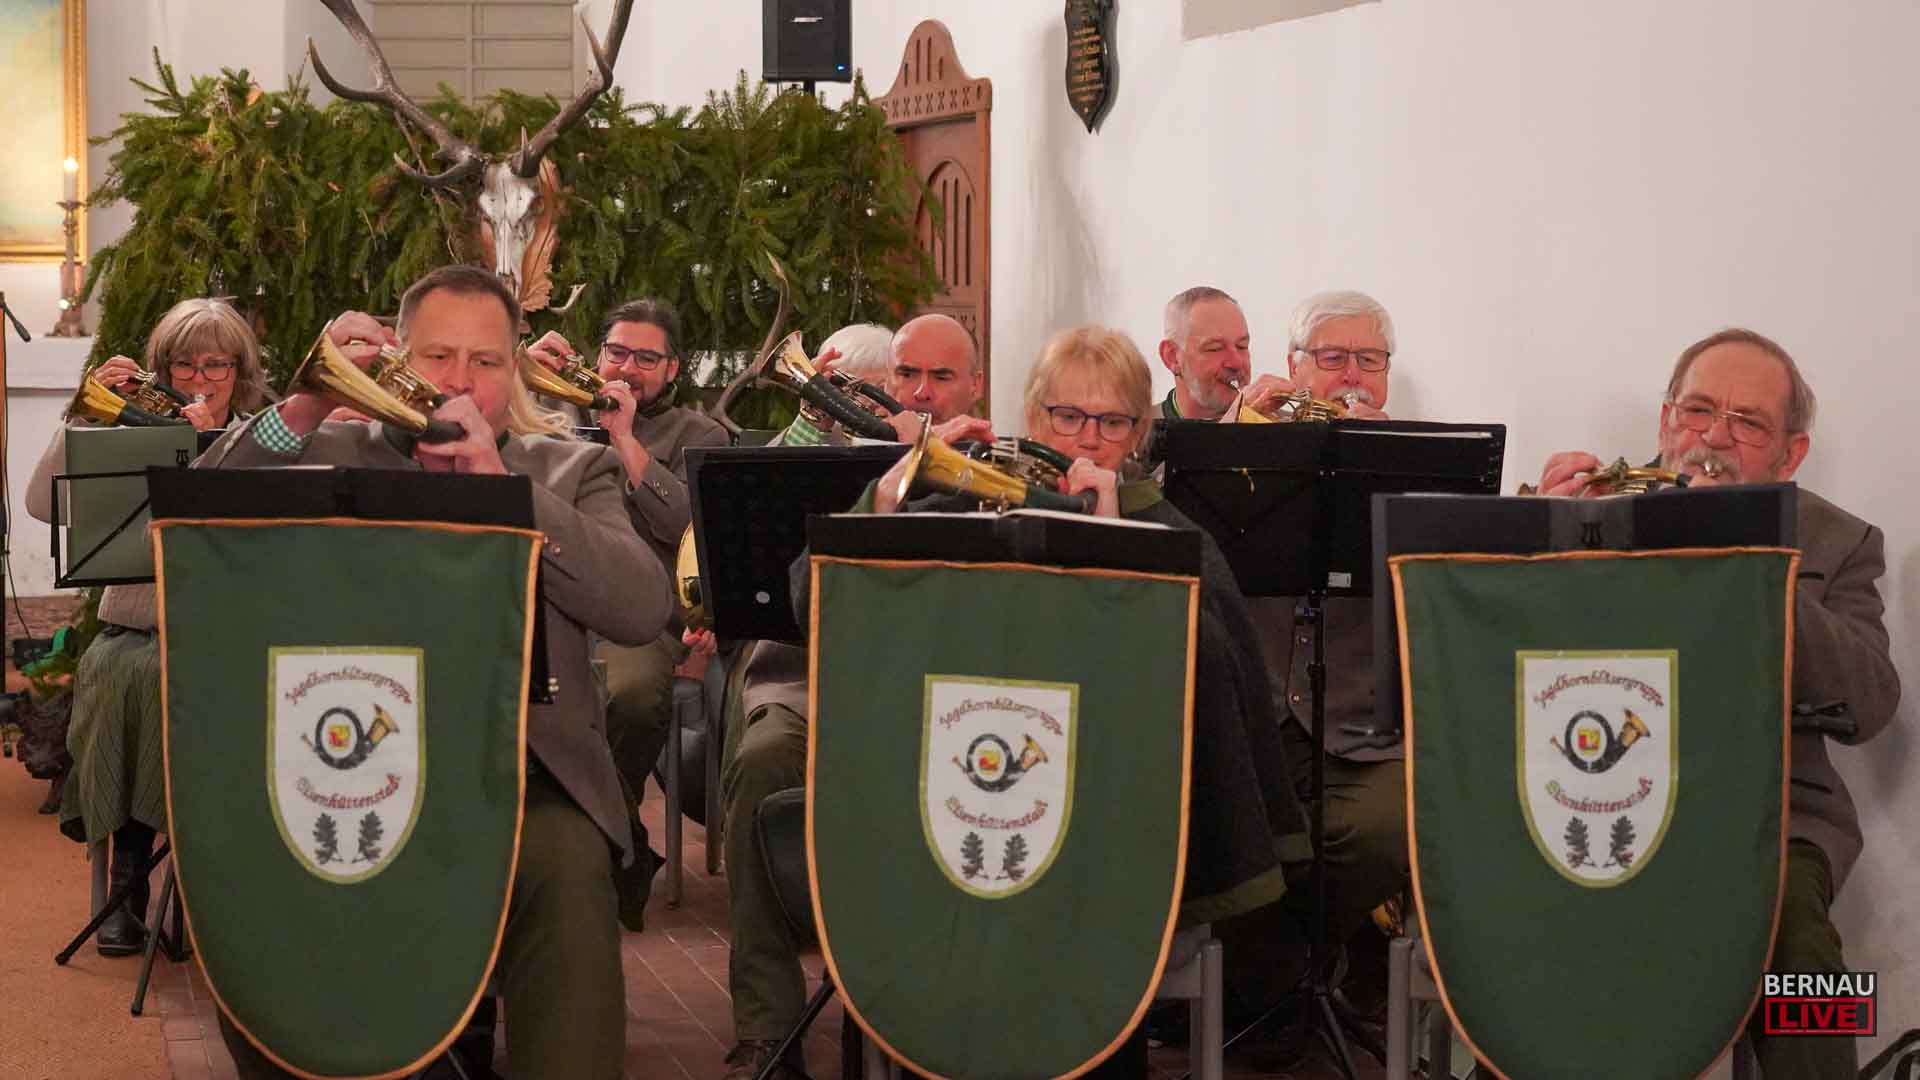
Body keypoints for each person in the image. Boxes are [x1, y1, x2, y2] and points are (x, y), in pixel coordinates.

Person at [202, 264, 669, 1079]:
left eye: (485, 363)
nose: (459, 382)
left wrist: (507, 493)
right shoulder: (328, 448)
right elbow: (199, 508)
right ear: (397, 357)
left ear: (514, 368)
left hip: (525, 772)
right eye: (437, 358)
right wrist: (308, 403)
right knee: (256, 876)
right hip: (347, 765)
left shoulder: (567, 469)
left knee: (562, 874)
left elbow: (639, 606)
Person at [1536, 327, 1899, 1080]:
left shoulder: (1839, 541)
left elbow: (1870, 703)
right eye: (1698, 412)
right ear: (1666, 421)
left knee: (1803, 949)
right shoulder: (1594, 508)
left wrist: (1757, 567)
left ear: (1790, 455)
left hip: (1772, 813)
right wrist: (1539, 537)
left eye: (1747, 422)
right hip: (1594, 798)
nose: (1715, 437)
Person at [718, 315, 991, 1080]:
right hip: (808, 679)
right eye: (908, 375)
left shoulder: (990, 464)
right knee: (766, 758)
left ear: (974, 385)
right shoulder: (820, 457)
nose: (923, 392)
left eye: (943, 378)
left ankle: (926, 1024)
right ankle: (769, 1029)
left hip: (935, 704)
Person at [24, 297, 274, 957]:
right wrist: (84, 414)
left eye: (215, 364)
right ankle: (127, 892)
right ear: (162, 371)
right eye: (183, 364)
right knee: (132, 683)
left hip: (230, 640)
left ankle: (215, 890)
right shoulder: (132, 432)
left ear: (238, 369)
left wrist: (207, 454)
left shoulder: (262, 437)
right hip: (135, 634)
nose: (199, 378)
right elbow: (40, 502)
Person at [523, 298, 728, 930]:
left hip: (639, 618)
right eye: (617, 352)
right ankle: (616, 845)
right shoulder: (548, 410)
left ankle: (607, 833)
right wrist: (514, 371)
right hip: (549, 603)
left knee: (634, 694)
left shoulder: (700, 434)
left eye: (646, 357)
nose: (628, 367)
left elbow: (692, 524)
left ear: (673, 368)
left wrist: (625, 438)